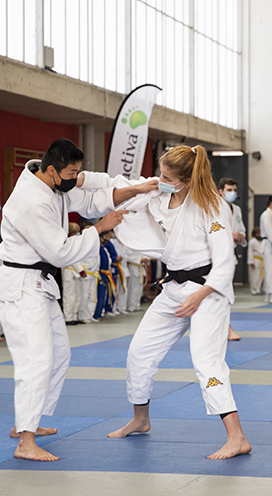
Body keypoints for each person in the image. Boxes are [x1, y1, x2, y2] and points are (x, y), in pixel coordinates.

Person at [0, 138, 152, 461]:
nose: (76, 177)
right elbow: (60, 251)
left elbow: (95, 198)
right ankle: (25, 440)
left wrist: (136, 190)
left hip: (39, 284)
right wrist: (98, 230)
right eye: (71, 172)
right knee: (36, 361)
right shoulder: (31, 201)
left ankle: (30, 420)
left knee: (60, 354)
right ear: (53, 170)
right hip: (22, 285)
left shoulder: (53, 184)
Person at [99, 145, 251, 460]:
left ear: (187, 178)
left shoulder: (213, 207)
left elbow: (225, 264)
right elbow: (123, 195)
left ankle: (237, 437)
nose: (161, 180)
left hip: (207, 290)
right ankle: (141, 419)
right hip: (174, 287)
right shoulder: (157, 195)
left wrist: (200, 294)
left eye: (168, 177)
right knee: (139, 352)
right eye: (161, 174)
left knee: (206, 360)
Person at [218, 178, 246, 340]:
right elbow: (211, 231)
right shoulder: (214, 207)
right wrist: (230, 235)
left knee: (227, 293)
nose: (232, 193)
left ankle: (225, 328)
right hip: (217, 256)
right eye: (229, 190)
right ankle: (227, 329)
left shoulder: (237, 209)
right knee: (222, 292)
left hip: (230, 255)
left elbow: (240, 228)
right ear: (221, 191)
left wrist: (240, 236)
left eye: (234, 190)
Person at [61, 223, 85, 325]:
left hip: (77, 273)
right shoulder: (67, 243)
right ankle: (68, 317)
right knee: (69, 296)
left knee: (77, 296)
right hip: (70, 272)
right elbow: (73, 257)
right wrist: (81, 269)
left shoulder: (76, 243)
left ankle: (74, 316)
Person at [78, 223, 101, 324]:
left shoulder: (95, 242)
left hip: (94, 273)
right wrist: (82, 269)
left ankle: (90, 315)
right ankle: (82, 316)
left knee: (92, 295)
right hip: (86, 272)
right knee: (84, 295)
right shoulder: (79, 242)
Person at [125, 247, 146, 312]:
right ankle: (131, 306)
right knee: (133, 288)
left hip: (140, 268)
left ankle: (137, 305)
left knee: (139, 289)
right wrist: (140, 259)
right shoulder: (128, 246)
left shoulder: (139, 244)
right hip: (133, 267)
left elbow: (144, 254)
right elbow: (126, 257)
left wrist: (145, 259)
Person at [247, 227, 264, 295]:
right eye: (258, 233)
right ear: (254, 234)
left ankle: (258, 289)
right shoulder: (252, 241)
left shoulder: (261, 242)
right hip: (255, 260)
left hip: (261, 260)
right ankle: (254, 290)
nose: (259, 235)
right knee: (255, 276)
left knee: (260, 276)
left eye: (260, 233)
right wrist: (251, 262)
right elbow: (250, 252)